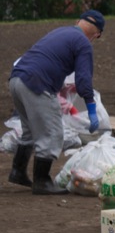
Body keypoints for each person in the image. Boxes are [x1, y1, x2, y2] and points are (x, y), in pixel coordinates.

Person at [8, 10, 105, 195]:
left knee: (29, 130)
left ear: (78, 21)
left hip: (16, 79)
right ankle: (42, 181)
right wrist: (91, 109)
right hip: (36, 83)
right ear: (97, 34)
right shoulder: (83, 43)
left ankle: (18, 171)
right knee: (52, 132)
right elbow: (83, 80)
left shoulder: (60, 31)